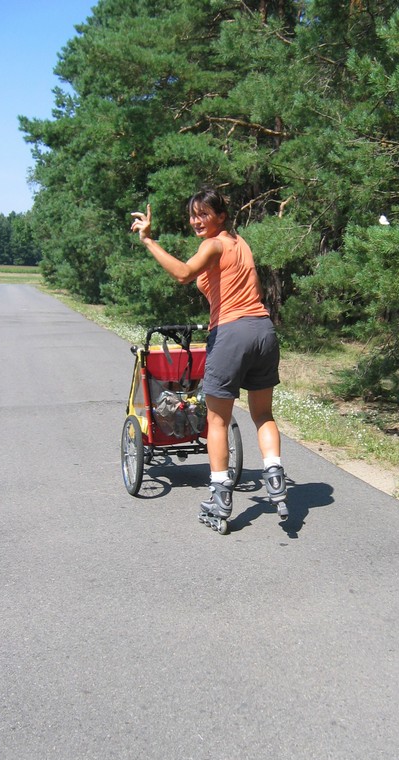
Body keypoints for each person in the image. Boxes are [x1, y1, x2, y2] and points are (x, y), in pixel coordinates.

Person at [130, 188, 288, 531]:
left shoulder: (213, 245)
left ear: (221, 215)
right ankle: (274, 473)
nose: (196, 221)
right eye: (192, 215)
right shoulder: (240, 244)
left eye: (204, 214)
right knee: (263, 414)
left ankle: (219, 497)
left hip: (232, 332)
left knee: (216, 421)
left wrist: (149, 241)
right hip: (263, 332)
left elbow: (183, 274)